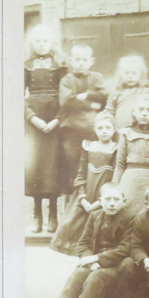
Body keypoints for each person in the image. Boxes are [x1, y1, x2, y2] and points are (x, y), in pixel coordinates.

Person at [34, 183, 133, 298]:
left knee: (95, 277)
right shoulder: (95, 215)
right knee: (78, 273)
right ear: (100, 200)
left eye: (116, 199)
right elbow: (83, 243)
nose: (112, 203)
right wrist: (89, 258)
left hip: (116, 266)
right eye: (108, 199)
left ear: (124, 201)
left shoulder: (130, 218)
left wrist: (96, 259)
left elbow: (125, 249)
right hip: (95, 262)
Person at [50, 111, 119, 256]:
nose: (104, 131)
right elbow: (81, 174)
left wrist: (101, 201)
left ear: (114, 129)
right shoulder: (88, 147)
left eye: (108, 127)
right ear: (94, 130)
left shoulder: (116, 149)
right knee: (73, 225)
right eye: (100, 128)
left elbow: (114, 179)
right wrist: (82, 197)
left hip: (104, 197)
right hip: (86, 195)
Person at [24, 24, 67, 233]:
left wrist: (58, 119)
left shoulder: (60, 65)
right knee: (35, 169)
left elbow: (67, 96)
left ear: (52, 43)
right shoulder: (25, 65)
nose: (42, 45)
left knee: (52, 168)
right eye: (38, 41)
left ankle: (53, 215)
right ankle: (37, 215)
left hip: (54, 120)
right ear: (32, 44)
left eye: (45, 41)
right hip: (34, 124)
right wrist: (33, 118)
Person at [58, 44, 108, 196]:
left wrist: (86, 95)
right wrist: (93, 104)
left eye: (84, 60)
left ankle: (93, 197)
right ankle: (76, 201)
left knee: (93, 165)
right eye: (77, 59)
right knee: (74, 166)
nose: (81, 63)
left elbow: (104, 97)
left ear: (91, 61)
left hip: (92, 131)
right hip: (72, 130)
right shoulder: (66, 80)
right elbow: (67, 102)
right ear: (71, 61)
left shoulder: (97, 77)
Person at [112, 93, 149, 218]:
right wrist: (115, 186)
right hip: (129, 178)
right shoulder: (126, 133)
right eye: (141, 109)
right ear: (134, 112)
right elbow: (119, 164)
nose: (144, 113)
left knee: (147, 214)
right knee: (126, 211)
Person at [105, 54, 149, 130]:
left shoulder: (145, 92)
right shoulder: (116, 93)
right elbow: (109, 112)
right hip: (120, 130)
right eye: (126, 73)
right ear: (121, 75)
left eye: (134, 73)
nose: (130, 76)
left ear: (140, 75)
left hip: (139, 130)